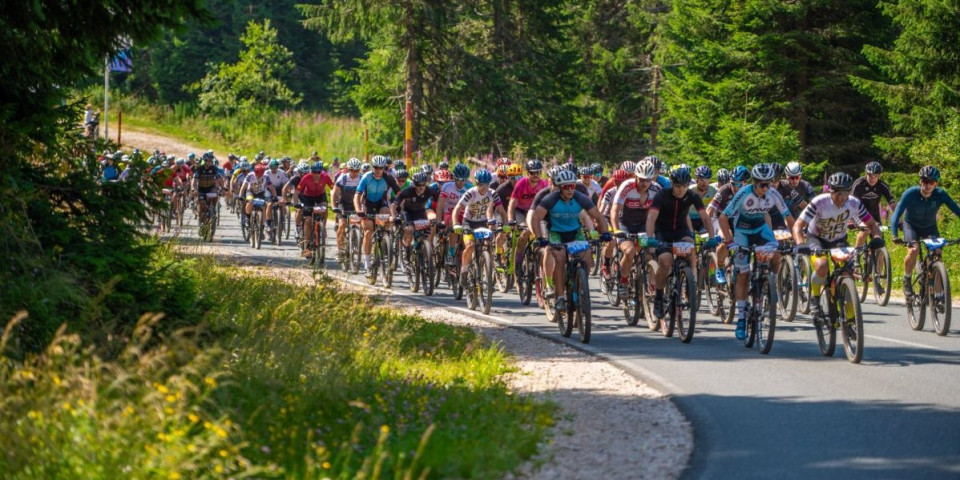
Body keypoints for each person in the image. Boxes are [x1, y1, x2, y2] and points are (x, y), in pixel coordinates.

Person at [793, 172, 884, 319]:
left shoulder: (854, 203)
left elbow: (872, 224)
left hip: (839, 240)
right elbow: (798, 225)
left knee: (847, 274)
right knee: (822, 267)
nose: (841, 197)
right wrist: (800, 244)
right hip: (816, 238)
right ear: (830, 191)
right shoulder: (819, 202)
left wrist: (877, 237)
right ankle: (815, 298)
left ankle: (850, 319)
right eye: (837, 193)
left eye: (845, 193)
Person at [719, 163, 794, 340]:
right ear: (754, 182)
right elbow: (723, 217)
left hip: (760, 229)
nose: (766, 188)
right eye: (762, 184)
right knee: (743, 274)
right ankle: (742, 318)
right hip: (742, 232)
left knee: (776, 253)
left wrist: (798, 241)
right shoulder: (743, 193)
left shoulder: (773, 193)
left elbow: (788, 217)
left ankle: (771, 284)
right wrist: (730, 241)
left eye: (769, 183)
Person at [529, 170, 612, 311]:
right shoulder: (550, 199)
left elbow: (598, 216)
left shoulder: (580, 197)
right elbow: (535, 218)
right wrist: (539, 238)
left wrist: (605, 233)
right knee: (560, 259)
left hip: (575, 232)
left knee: (586, 256)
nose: (570, 190)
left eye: (572, 186)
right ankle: (560, 297)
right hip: (556, 233)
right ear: (560, 187)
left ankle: (581, 287)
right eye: (566, 187)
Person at [646, 166, 718, 319]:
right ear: (672, 184)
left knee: (691, 246)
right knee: (665, 262)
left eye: (684, 186)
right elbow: (651, 218)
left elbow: (705, 218)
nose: (681, 189)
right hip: (662, 232)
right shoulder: (662, 195)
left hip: (681, 231)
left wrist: (712, 238)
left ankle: (689, 282)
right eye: (678, 186)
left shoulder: (692, 195)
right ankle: (658, 297)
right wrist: (650, 238)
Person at [891, 166, 960, 296]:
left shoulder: (940, 194)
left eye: (932, 182)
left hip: (930, 228)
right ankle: (907, 278)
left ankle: (939, 295)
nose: (928, 185)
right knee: (913, 250)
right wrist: (894, 235)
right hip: (911, 226)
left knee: (937, 253)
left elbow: (957, 210)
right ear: (920, 181)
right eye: (925, 181)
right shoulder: (910, 194)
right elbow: (896, 215)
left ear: (936, 184)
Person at [610, 159, 662, 295]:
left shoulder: (656, 189)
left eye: (648, 180)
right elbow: (615, 209)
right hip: (625, 225)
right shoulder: (627, 186)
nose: (645, 183)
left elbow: (663, 211)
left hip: (643, 226)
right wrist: (616, 230)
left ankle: (650, 284)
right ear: (635, 176)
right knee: (629, 251)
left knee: (649, 253)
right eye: (641, 180)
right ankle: (624, 280)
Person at [355, 155, 402, 275]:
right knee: (368, 229)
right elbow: (357, 195)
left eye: (381, 168)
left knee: (387, 217)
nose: (378, 170)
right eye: (376, 167)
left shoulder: (388, 177)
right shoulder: (366, 177)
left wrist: (399, 205)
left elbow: (399, 193)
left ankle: (385, 240)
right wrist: (357, 210)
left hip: (382, 203)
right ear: (372, 167)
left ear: (384, 168)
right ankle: (366, 260)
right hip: (368, 204)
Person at [706, 165, 749, 284]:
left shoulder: (749, 192)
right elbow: (708, 212)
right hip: (721, 220)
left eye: (739, 184)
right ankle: (719, 268)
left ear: (744, 183)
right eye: (732, 183)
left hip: (738, 221)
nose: (735, 187)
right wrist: (709, 233)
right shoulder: (724, 191)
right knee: (726, 239)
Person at [390, 170, 440, 265]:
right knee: (409, 230)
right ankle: (406, 251)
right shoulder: (407, 191)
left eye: (423, 185)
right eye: (418, 185)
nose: (421, 187)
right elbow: (393, 205)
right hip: (408, 213)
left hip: (421, 213)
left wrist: (440, 217)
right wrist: (394, 217)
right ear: (414, 184)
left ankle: (425, 258)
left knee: (427, 234)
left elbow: (440, 203)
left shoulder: (429, 190)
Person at [436, 163, 475, 265]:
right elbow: (440, 205)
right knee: (454, 225)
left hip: (464, 214)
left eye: (463, 180)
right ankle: (451, 252)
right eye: (457, 179)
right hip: (449, 212)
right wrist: (439, 221)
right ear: (453, 177)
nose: (460, 182)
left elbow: (473, 206)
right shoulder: (447, 186)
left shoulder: (470, 187)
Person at [851, 161, 896, 249]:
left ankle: (877, 260)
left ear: (879, 176)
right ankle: (856, 255)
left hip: (874, 215)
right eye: (870, 176)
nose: (872, 179)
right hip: (858, 214)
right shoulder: (859, 184)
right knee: (866, 230)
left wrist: (899, 219)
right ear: (866, 174)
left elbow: (892, 202)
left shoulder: (882, 185)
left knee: (880, 243)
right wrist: (850, 220)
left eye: (875, 176)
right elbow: (851, 203)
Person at [295, 162, 334, 257]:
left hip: (321, 196)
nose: (316, 175)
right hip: (308, 198)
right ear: (311, 172)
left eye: (318, 172)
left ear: (321, 172)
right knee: (308, 220)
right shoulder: (306, 177)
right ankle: (307, 246)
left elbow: (333, 188)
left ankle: (323, 227)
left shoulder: (325, 177)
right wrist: (296, 204)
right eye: (314, 172)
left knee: (325, 207)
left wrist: (335, 200)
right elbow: (297, 192)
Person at [331, 158, 363, 256]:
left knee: (362, 224)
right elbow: (334, 194)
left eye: (357, 170)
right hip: (343, 203)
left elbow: (364, 194)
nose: (354, 173)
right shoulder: (343, 178)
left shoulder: (361, 178)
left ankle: (357, 242)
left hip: (355, 204)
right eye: (352, 170)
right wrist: (334, 206)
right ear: (348, 169)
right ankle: (340, 249)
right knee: (342, 224)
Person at [193, 152, 221, 221]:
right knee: (202, 204)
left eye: (211, 161)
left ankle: (213, 209)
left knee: (215, 195)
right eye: (208, 161)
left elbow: (219, 179)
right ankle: (201, 219)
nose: (209, 162)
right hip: (201, 188)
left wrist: (223, 188)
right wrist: (194, 189)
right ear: (204, 161)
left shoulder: (214, 168)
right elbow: (194, 180)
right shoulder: (199, 169)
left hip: (211, 188)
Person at [690, 165, 717, 233]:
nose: (704, 183)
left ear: (710, 180)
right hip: (688, 219)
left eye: (707, 180)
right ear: (696, 180)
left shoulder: (714, 191)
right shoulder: (689, 190)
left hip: (703, 219)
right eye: (701, 180)